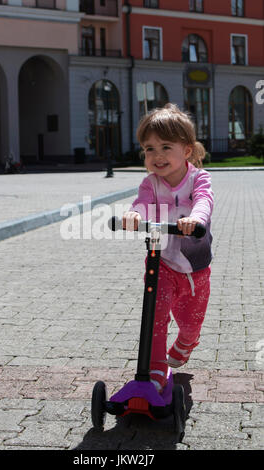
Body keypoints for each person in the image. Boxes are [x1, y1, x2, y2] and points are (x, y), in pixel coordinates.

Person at [123, 103, 214, 393]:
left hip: (194, 269)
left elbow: (204, 200)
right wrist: (135, 215)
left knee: (190, 324)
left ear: (186, 150)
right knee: (155, 316)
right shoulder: (151, 183)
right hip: (160, 262)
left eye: (165, 147)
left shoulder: (198, 178)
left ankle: (187, 341)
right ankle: (155, 370)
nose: (157, 156)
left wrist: (196, 218)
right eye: (149, 149)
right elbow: (142, 204)